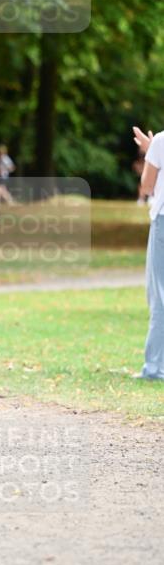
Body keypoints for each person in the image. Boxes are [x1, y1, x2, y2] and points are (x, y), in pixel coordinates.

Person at [133, 125, 164, 380]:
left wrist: (150, 151)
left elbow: (146, 187)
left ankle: (154, 368)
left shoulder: (161, 142)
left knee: (159, 295)